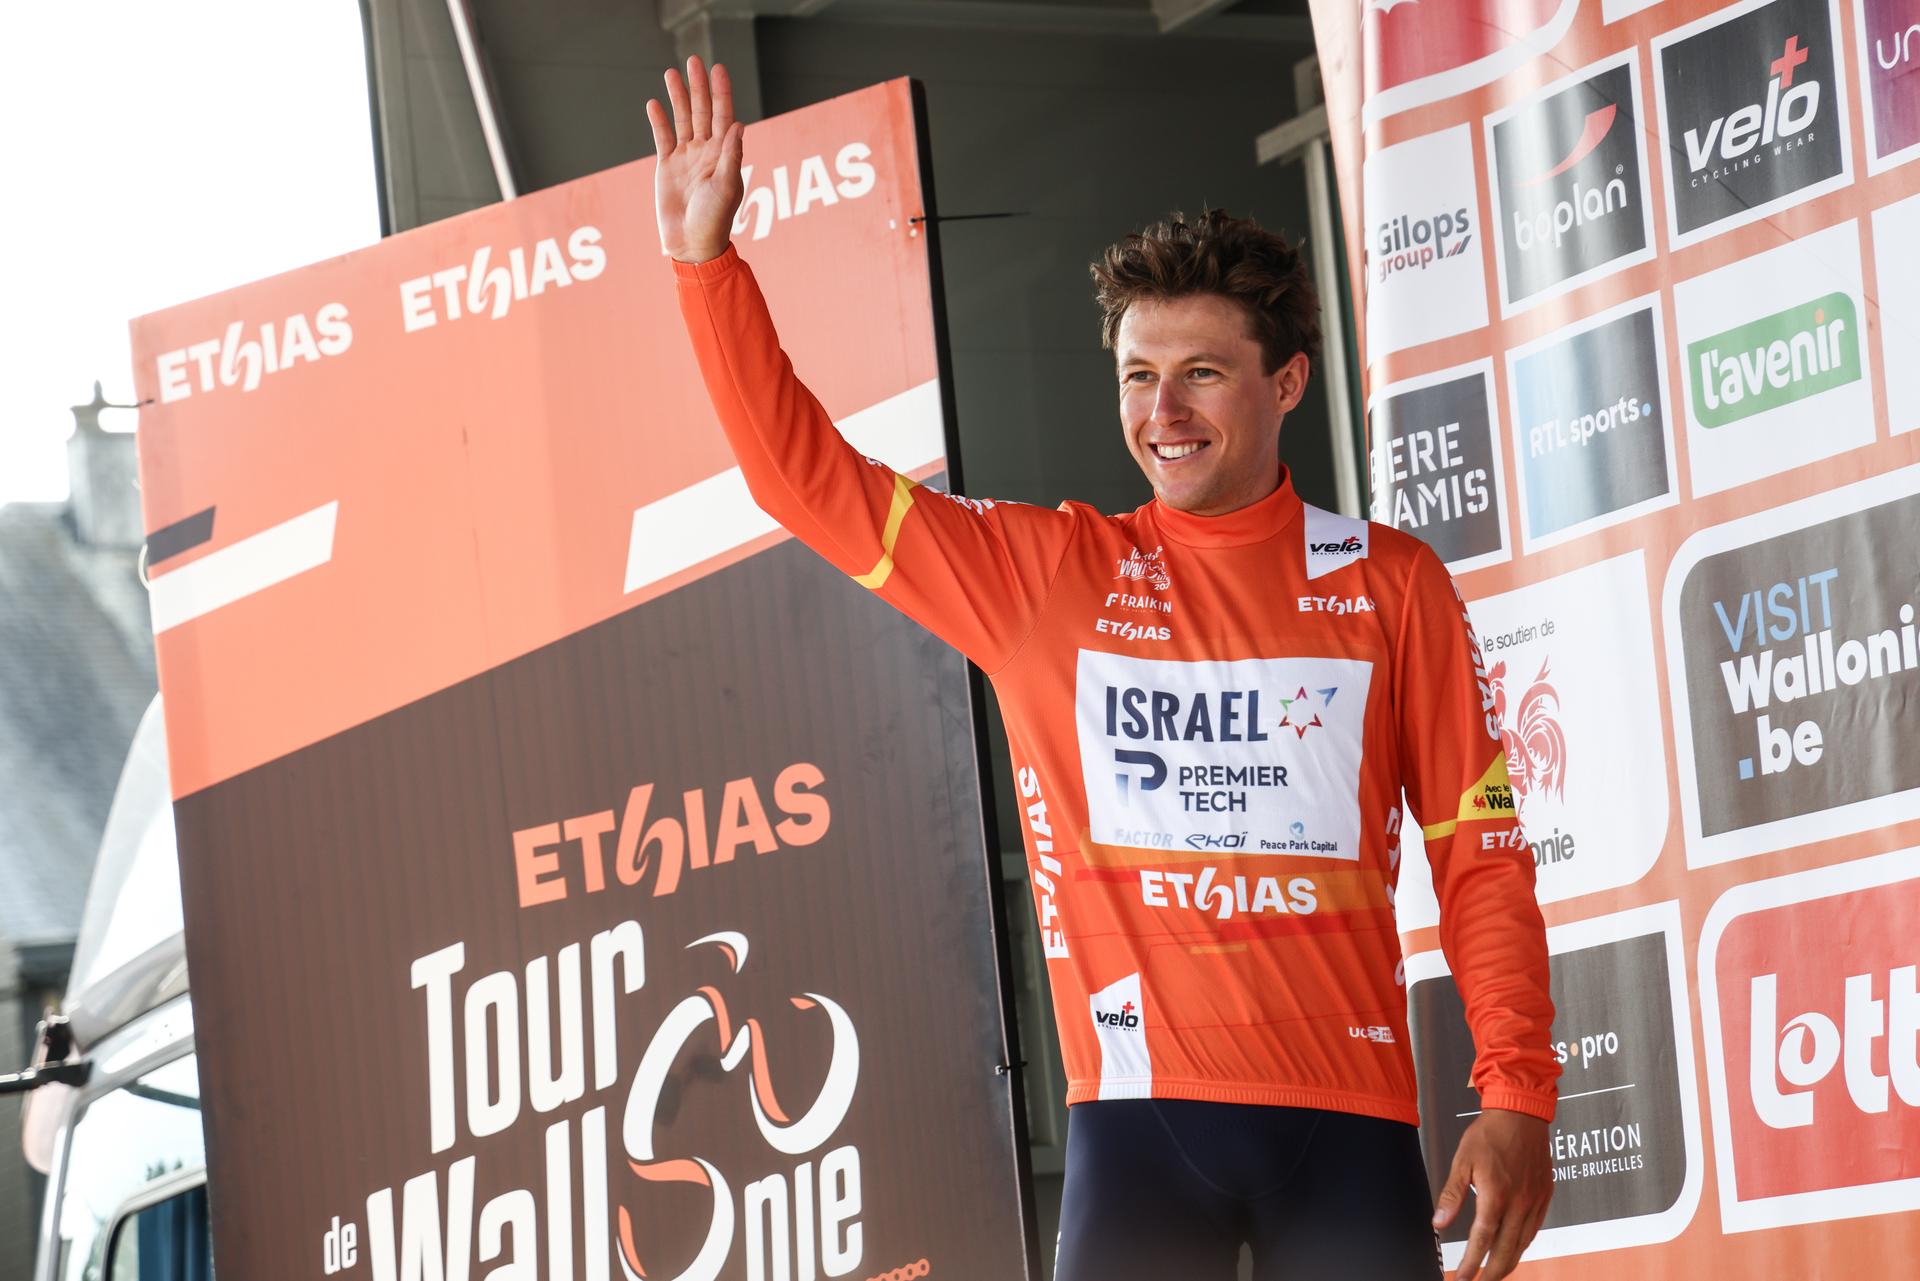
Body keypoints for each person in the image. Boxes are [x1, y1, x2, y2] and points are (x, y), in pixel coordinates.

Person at [649, 56, 1557, 1281]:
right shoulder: (1047, 575)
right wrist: (708, 267)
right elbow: (803, 480)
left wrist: (1518, 1097)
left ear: (1286, 382)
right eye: (1139, 375)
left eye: (1202, 374)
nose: (1163, 413)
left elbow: (1479, 854)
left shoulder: (1391, 582)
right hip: (1137, 1122)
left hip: (1350, 1121)